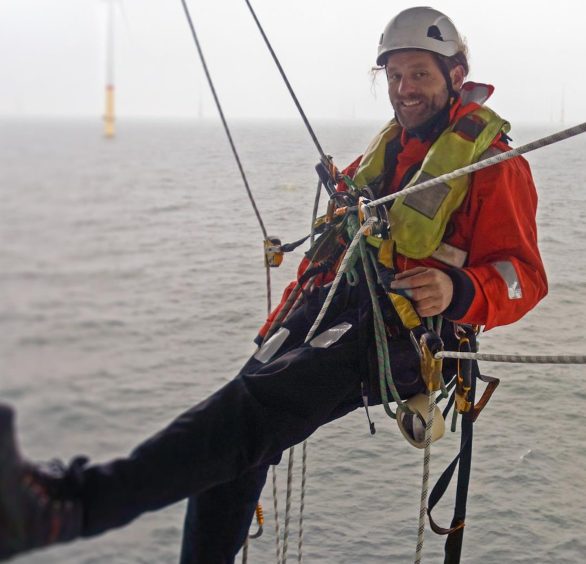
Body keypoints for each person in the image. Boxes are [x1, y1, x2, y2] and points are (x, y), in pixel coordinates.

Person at [0, 7, 547, 563]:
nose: (404, 90)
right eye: (395, 76)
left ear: (456, 77)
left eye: (420, 75)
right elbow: (341, 248)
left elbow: (524, 278)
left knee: (248, 413)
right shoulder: (394, 152)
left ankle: (69, 505)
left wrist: (457, 289)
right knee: (235, 440)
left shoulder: (493, 166)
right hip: (344, 309)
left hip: (401, 338)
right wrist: (281, 326)